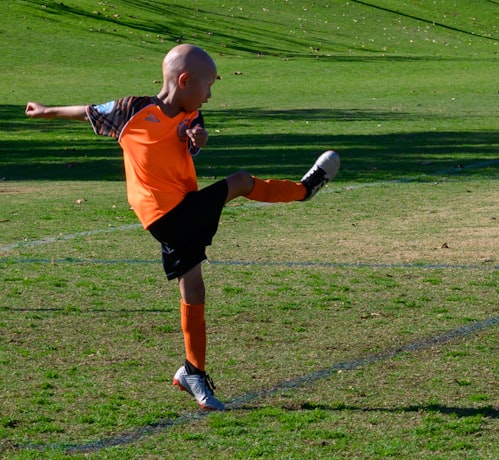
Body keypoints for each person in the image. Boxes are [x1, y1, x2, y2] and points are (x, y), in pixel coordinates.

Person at [25, 44, 339, 411]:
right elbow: (91, 112)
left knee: (194, 289)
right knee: (239, 181)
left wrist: (197, 139)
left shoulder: (193, 117)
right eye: (207, 86)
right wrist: (48, 111)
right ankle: (303, 191)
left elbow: (196, 134)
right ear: (184, 80)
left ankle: (193, 371)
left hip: (179, 214)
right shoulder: (131, 110)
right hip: (166, 214)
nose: (209, 95)